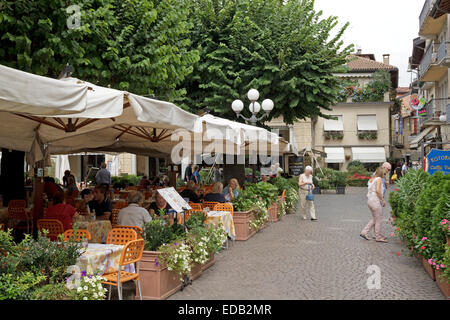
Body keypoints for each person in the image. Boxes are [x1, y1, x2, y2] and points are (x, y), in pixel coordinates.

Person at [360, 167, 387, 243]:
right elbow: (378, 191)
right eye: (384, 174)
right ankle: (377, 236)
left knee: (375, 218)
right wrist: (383, 200)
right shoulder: (378, 179)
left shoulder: (371, 179)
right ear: (381, 173)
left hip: (369, 200)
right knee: (378, 219)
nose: (384, 175)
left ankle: (364, 232)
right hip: (375, 200)